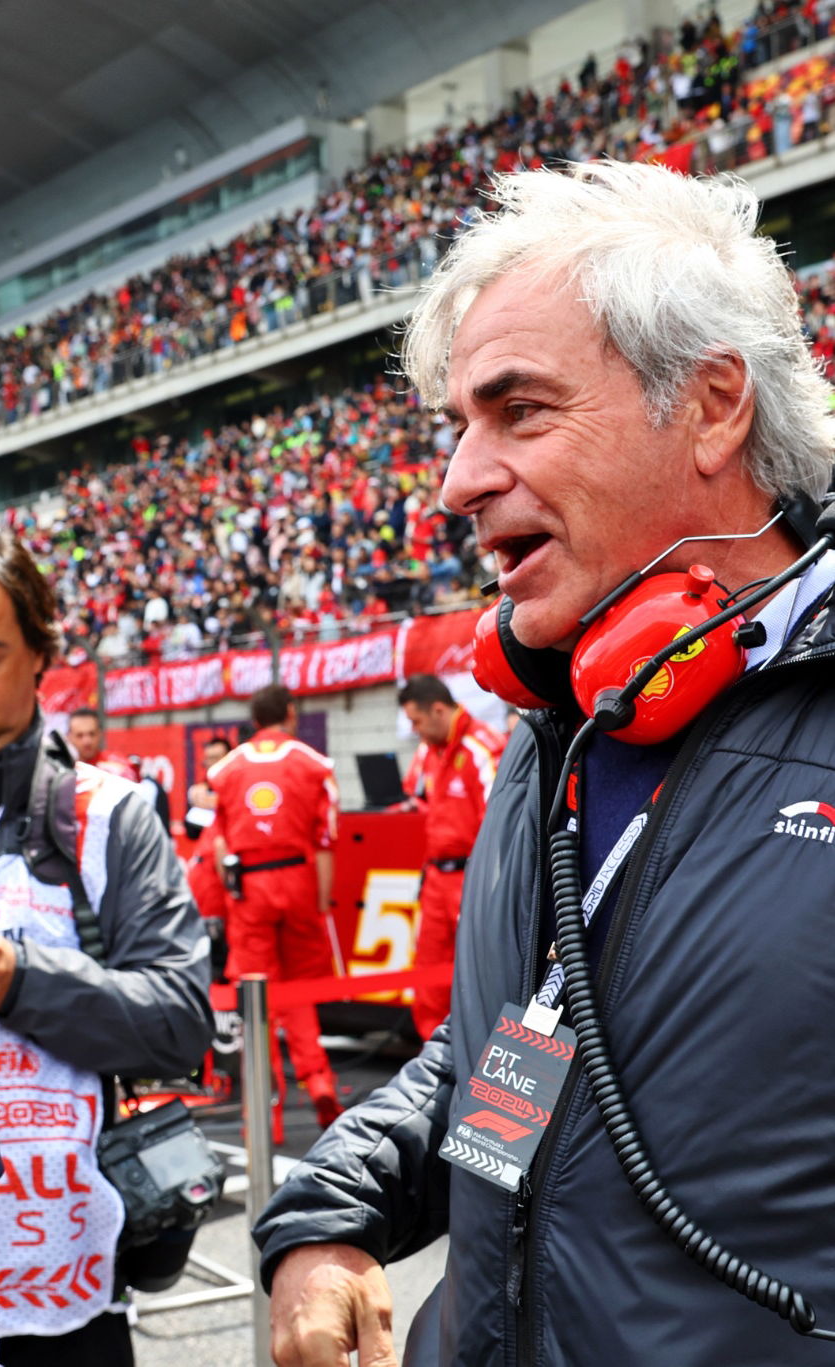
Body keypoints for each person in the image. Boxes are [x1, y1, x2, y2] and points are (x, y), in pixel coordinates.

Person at [256, 159, 835, 1365]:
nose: (460, 478)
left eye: (518, 410)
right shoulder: (562, 724)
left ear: (713, 405)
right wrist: (328, 1218)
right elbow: (517, 1050)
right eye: (459, 425)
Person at [0, 520, 214, 1367]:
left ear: (42, 652)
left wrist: (15, 977)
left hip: (68, 1294)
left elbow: (182, 1019)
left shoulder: (108, 814)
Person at [209, 684, 343, 1130]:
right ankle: (319, 1080)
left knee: (257, 1000)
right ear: (289, 713)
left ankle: (265, 1110)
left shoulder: (226, 770)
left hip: (251, 888)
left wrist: (234, 894)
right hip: (300, 881)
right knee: (300, 991)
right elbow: (325, 841)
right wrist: (320, 901)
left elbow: (219, 844)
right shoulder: (314, 764)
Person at [397, 674, 505, 1040]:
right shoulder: (429, 749)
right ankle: (430, 1064)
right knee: (428, 975)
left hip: (471, 879)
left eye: (416, 721)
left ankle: (473, 1059)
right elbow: (416, 795)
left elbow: (499, 823)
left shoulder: (482, 747)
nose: (415, 730)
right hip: (436, 879)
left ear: (439, 710)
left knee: (476, 973)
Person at [67, 706, 138, 780]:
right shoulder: (63, 770)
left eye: (92, 734)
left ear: (100, 734)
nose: (87, 741)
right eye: (80, 735)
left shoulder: (116, 764)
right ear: (69, 737)